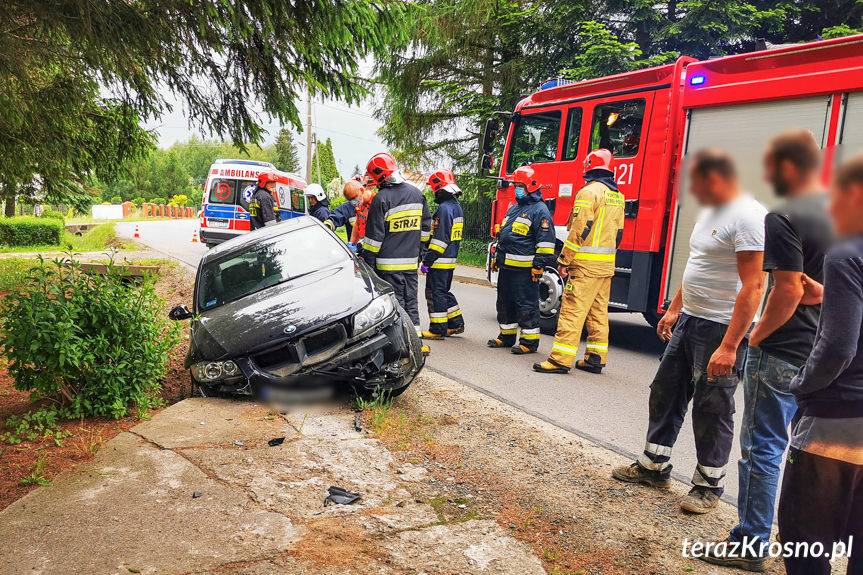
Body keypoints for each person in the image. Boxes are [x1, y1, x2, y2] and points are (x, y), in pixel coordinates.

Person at [701, 131, 833, 571]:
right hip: (821, 350)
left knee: (762, 447)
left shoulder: (784, 217)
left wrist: (752, 337)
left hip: (781, 350)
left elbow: (788, 290)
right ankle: (800, 541)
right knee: (802, 450)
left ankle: (750, 543)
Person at [612, 149, 767, 515]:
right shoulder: (711, 212)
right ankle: (654, 466)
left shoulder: (748, 216)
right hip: (690, 319)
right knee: (665, 391)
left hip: (720, 327)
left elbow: (754, 286)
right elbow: (696, 264)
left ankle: (708, 485)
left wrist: (730, 345)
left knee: (713, 406)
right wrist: (676, 308)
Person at [776, 155, 863, 575]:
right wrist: (834, 296)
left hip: (837, 420)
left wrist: (803, 385)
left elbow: (838, 348)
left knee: (806, 544)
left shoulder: (846, 254)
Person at [533, 149, 625, 375]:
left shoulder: (588, 192)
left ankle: (560, 359)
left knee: (572, 310)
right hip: (605, 266)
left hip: (585, 266)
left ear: (588, 167)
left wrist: (564, 259)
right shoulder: (617, 195)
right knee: (598, 312)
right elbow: (619, 233)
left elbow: (579, 229)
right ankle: (595, 358)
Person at [361, 152, 432, 350]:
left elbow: (374, 239)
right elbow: (426, 230)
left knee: (397, 304)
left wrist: (368, 263)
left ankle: (403, 346)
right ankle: (417, 342)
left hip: (388, 264)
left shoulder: (381, 198)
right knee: (411, 302)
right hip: (411, 263)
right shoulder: (417, 194)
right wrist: (418, 251)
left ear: (379, 176)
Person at [487, 165, 556, 354]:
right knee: (505, 302)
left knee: (526, 305)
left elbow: (546, 242)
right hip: (507, 267)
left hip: (525, 270)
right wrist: (497, 258)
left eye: (520, 185)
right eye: (515, 185)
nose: (516, 188)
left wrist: (538, 266)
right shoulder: (514, 207)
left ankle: (529, 342)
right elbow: (505, 234)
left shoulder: (540, 210)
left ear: (531, 186)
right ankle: (506, 336)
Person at [420, 169, 465, 340]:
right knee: (444, 291)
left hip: (439, 260)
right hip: (450, 259)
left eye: (434, 189)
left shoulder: (443, 210)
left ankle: (437, 329)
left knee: (435, 293)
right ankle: (456, 323)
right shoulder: (456, 207)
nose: (433, 192)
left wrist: (428, 260)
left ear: (440, 189)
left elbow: (440, 238)